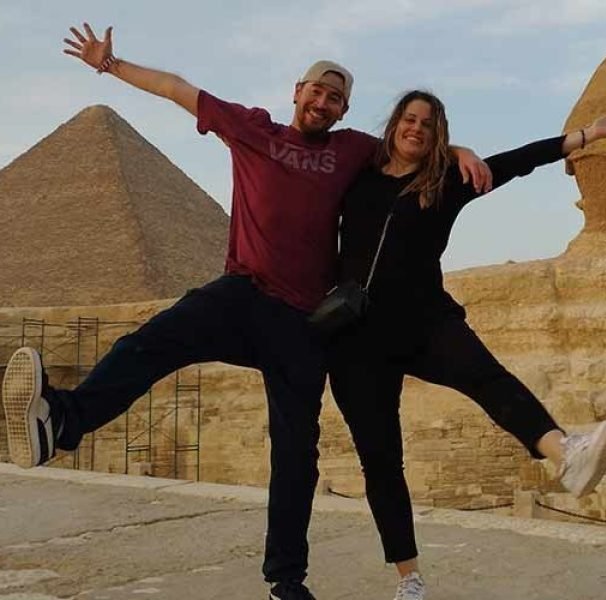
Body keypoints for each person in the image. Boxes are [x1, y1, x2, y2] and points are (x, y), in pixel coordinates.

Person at [1, 25, 489, 600]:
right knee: (149, 342)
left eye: (335, 97)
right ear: (297, 91)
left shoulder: (353, 149)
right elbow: (175, 88)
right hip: (243, 295)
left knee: (295, 455)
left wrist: (458, 149)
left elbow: (413, 145)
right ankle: (63, 421)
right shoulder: (252, 129)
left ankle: (286, 581)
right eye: (317, 90)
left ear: (344, 109)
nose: (323, 101)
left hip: (305, 322)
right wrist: (111, 66)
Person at [327, 90, 606, 600]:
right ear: (394, 124)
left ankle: (565, 452)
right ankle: (409, 580)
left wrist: (583, 137)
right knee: (381, 461)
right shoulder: (358, 171)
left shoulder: (446, 183)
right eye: (409, 119)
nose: (416, 129)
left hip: (424, 321)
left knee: (487, 378)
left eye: (427, 125)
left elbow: (516, 163)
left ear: (437, 135)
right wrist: (458, 147)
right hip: (356, 338)